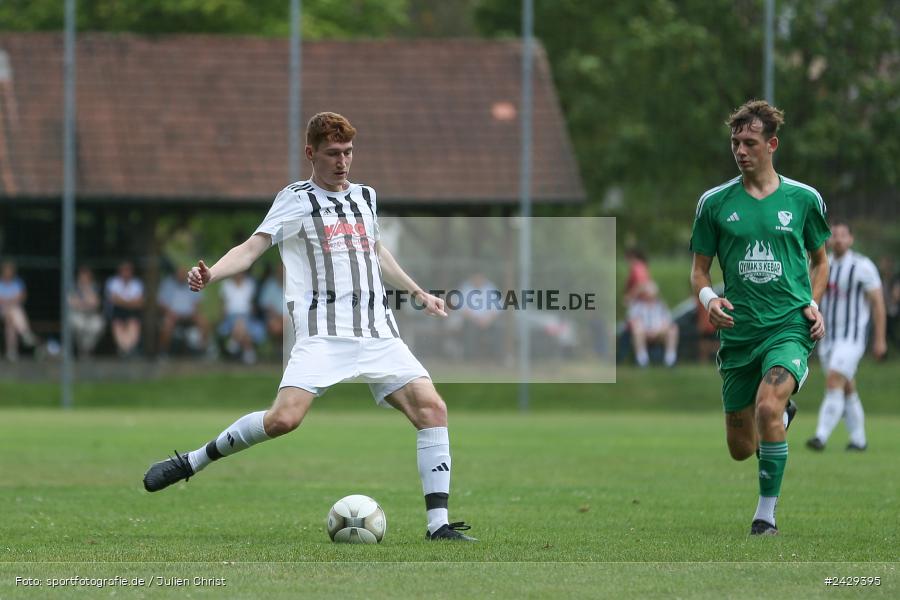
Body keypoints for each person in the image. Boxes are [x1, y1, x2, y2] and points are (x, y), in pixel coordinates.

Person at [143, 112, 476, 541]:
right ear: (311, 153)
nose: (343, 162)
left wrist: (417, 292)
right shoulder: (294, 200)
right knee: (283, 420)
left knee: (433, 410)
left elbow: (376, 252)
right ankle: (192, 461)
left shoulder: (366, 197)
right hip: (322, 334)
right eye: (334, 154)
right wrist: (212, 275)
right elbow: (251, 249)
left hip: (377, 332)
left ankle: (439, 526)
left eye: (349, 153)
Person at [690, 100, 830, 536]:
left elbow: (820, 262)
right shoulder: (714, 203)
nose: (740, 150)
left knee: (767, 406)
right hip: (738, 334)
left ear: (772, 144)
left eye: (750, 142)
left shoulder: (804, 200)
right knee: (740, 446)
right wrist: (710, 298)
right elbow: (699, 271)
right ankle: (779, 420)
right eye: (735, 142)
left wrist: (814, 302)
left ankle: (764, 518)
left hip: (789, 326)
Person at [806, 221, 886, 452]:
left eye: (843, 235)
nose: (838, 239)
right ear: (829, 239)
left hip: (852, 338)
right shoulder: (823, 265)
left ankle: (820, 435)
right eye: (835, 235)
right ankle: (859, 440)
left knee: (834, 380)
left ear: (851, 239)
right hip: (827, 338)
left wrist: (879, 339)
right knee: (846, 386)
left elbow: (878, 304)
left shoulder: (862, 266)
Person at [158, 265, 210, 357]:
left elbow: (197, 303)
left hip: (190, 315)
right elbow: (162, 303)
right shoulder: (168, 284)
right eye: (179, 274)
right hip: (173, 315)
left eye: (183, 274)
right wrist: (170, 313)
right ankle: (163, 351)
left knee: (203, 322)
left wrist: (193, 312)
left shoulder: (193, 282)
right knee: (166, 324)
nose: (181, 276)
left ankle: (203, 350)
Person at [217, 271, 265, 364]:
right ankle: (249, 351)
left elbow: (251, 303)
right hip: (230, 316)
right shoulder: (226, 284)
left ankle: (234, 340)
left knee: (241, 322)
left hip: (246, 315)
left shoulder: (250, 284)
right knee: (240, 322)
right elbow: (222, 305)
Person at [626, 281, 678, 367]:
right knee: (637, 329)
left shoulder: (661, 305)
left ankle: (670, 360)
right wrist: (646, 331)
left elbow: (667, 321)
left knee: (673, 329)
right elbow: (632, 320)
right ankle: (642, 361)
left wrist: (657, 331)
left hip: (659, 333)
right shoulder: (638, 306)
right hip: (643, 333)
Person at [0, 260, 37, 361]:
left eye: (10, 271)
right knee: (13, 312)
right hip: (2, 310)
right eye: (6, 271)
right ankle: (25, 332)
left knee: (11, 323)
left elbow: (22, 296)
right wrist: (11, 300)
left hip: (13, 310)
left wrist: (9, 300)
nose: (8, 273)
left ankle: (11, 352)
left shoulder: (18, 282)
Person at [105, 261, 144, 357]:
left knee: (133, 325)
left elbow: (140, 303)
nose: (126, 273)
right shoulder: (113, 282)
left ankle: (126, 350)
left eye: (128, 270)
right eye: (124, 270)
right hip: (117, 312)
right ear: (120, 271)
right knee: (118, 325)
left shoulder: (137, 283)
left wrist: (122, 302)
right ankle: (125, 351)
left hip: (132, 313)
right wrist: (130, 302)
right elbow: (114, 300)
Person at [68, 266, 105, 357]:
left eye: (86, 277)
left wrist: (86, 290)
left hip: (92, 315)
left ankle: (85, 350)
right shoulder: (73, 287)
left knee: (98, 325)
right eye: (82, 277)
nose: (84, 279)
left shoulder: (95, 287)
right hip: (77, 315)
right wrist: (86, 303)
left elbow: (96, 303)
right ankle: (84, 351)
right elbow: (71, 303)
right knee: (79, 325)